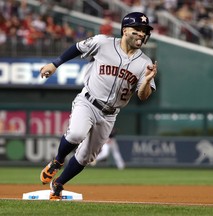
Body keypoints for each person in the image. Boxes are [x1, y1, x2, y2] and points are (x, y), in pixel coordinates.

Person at [39, 12, 157, 200]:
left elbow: (143, 96)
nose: (142, 34)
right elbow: (77, 48)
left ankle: (59, 184)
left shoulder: (145, 63)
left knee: (87, 156)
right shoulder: (103, 43)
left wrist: (146, 81)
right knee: (76, 134)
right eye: (138, 29)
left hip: (110, 114)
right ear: (125, 30)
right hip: (88, 101)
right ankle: (57, 161)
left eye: (145, 31)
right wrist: (55, 64)